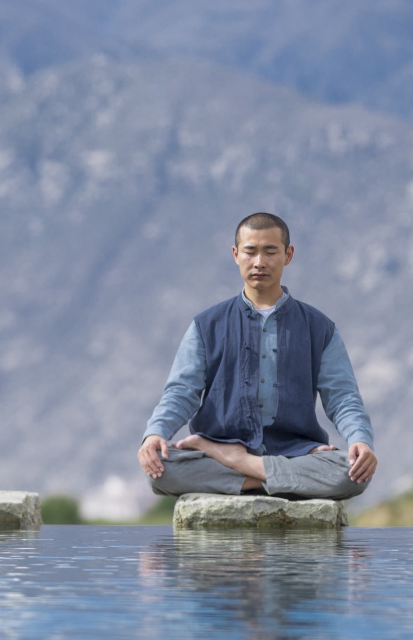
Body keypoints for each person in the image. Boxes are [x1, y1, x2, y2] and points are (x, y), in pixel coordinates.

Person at [138, 212, 377, 500]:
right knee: (160, 470)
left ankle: (241, 467)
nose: (259, 262)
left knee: (352, 474)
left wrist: (360, 439)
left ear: (288, 255)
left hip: (294, 451)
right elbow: (181, 392)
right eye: (250, 251)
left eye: (270, 252)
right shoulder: (206, 325)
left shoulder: (319, 328)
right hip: (223, 445)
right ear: (236, 254)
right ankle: (275, 478)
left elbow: (342, 397)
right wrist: (155, 433)